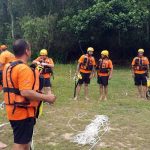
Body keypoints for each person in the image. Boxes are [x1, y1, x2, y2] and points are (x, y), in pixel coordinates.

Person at [3, 39, 56, 150]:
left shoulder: (9, 66)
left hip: (14, 110)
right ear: (27, 51)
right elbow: (25, 92)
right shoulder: (23, 68)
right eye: (30, 49)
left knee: (25, 142)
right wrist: (47, 98)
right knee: (20, 144)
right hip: (21, 112)